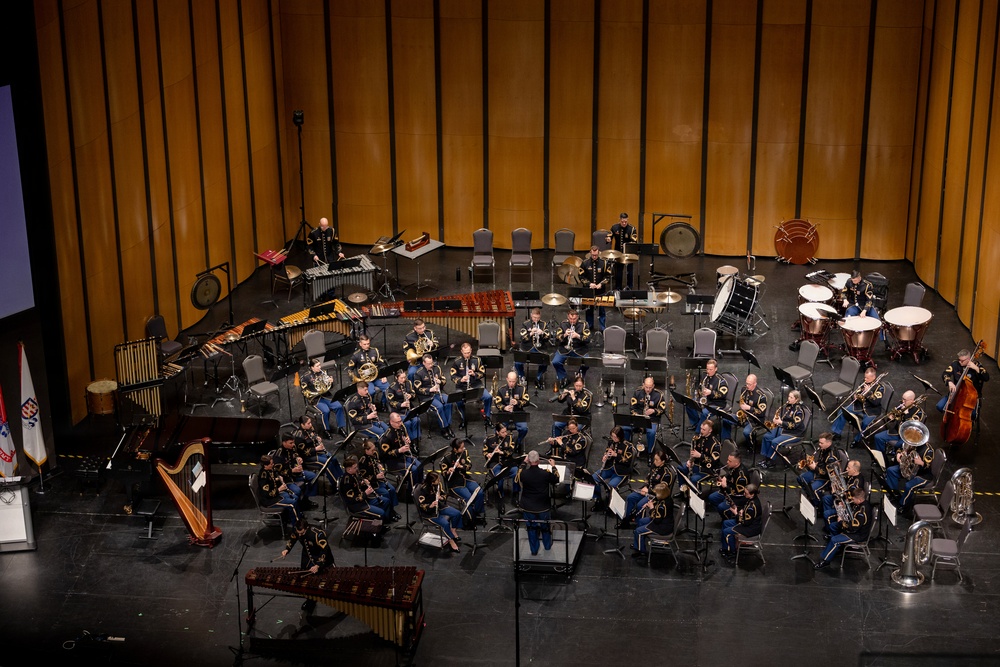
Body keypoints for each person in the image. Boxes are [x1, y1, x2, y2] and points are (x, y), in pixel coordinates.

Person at [279, 518, 335, 611]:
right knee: (307, 580)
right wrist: (287, 549)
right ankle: (310, 601)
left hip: (320, 556)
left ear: (306, 528)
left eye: (302, 533)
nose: (299, 535)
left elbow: (324, 550)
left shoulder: (318, 534)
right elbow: (293, 538)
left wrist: (318, 565)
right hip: (307, 556)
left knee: (331, 578)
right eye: (298, 533)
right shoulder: (297, 529)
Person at [814, 487, 873, 569]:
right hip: (854, 528)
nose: (852, 500)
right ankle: (839, 547)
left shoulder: (862, 513)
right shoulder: (861, 504)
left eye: (854, 499)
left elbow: (853, 528)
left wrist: (841, 522)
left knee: (834, 540)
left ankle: (825, 560)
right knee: (832, 526)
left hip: (857, 535)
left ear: (859, 500)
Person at [516, 451, 561, 556]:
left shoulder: (524, 473)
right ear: (538, 460)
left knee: (531, 529)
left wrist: (523, 463)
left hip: (528, 506)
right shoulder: (545, 473)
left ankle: (534, 550)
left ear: (529, 460)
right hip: (543, 506)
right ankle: (547, 546)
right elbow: (556, 479)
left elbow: (517, 477)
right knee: (545, 527)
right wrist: (553, 466)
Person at [621, 449, 674, 529]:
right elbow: (648, 478)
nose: (654, 461)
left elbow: (662, 491)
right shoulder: (654, 466)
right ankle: (626, 520)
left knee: (640, 505)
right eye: (654, 459)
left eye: (657, 460)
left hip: (655, 496)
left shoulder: (666, 474)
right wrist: (645, 486)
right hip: (647, 491)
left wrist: (648, 491)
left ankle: (639, 525)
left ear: (663, 461)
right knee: (630, 497)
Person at [830, 367, 884, 444]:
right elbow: (857, 392)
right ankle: (837, 433)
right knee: (842, 411)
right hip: (859, 406)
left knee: (865, 423)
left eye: (867, 378)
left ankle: (857, 440)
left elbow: (876, 402)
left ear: (874, 377)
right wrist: (855, 395)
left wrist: (868, 392)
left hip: (871, 410)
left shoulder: (880, 388)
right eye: (865, 377)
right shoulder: (863, 382)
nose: (865, 379)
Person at [884, 436, 935, 515]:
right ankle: (894, 494)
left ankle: (902, 505)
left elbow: (929, 467)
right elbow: (902, 448)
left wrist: (921, 463)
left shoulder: (928, 451)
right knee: (891, 471)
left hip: (923, 475)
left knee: (909, 486)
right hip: (910, 469)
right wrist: (899, 454)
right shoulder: (913, 443)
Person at [415, 471, 462, 553]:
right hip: (429, 512)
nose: (439, 480)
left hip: (439, 506)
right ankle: (451, 541)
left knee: (457, 513)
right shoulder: (424, 489)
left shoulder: (437, 485)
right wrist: (430, 505)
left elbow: (444, 494)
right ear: (432, 481)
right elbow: (421, 505)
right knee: (445, 523)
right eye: (438, 479)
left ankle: (453, 530)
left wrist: (441, 497)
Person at [449, 342, 493, 428]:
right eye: (465, 353)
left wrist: (474, 374)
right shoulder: (457, 361)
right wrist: (460, 379)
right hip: (462, 387)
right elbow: (452, 376)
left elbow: (482, 372)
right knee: (458, 401)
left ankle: (487, 417)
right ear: (461, 351)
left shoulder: (477, 360)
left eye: (469, 352)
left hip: (475, 385)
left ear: (471, 350)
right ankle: (463, 419)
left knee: (488, 397)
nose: (467, 355)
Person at [440, 438, 485, 522]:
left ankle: (477, 512)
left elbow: (469, 465)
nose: (463, 448)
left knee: (479, 492)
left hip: (465, 478)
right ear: (455, 449)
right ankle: (470, 519)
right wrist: (449, 472)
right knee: (468, 497)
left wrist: (461, 466)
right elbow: (444, 474)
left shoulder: (465, 452)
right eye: (461, 448)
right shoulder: (447, 458)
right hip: (455, 483)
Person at [592, 426, 636, 511]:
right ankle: (598, 500)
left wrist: (616, 455)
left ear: (620, 436)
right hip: (609, 468)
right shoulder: (611, 442)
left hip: (620, 471)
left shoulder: (628, 446)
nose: (613, 438)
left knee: (611, 486)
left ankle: (610, 505)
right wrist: (605, 456)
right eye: (612, 436)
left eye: (615, 437)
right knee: (594, 478)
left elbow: (627, 461)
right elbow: (607, 452)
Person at [759, 390, 806, 468]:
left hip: (795, 434)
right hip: (785, 429)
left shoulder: (799, 411)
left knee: (775, 442)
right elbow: (786, 418)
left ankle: (771, 461)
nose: (789, 399)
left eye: (791, 397)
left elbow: (795, 425)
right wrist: (777, 419)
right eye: (789, 396)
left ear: (797, 399)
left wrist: (781, 422)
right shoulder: (789, 405)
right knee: (767, 436)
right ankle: (766, 457)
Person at [936, 347, 989, 416]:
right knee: (940, 406)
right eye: (959, 360)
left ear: (969, 359)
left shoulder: (977, 365)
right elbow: (945, 374)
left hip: (971, 397)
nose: (960, 362)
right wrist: (949, 381)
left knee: (971, 415)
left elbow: (986, 377)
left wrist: (976, 369)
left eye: (962, 361)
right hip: (957, 394)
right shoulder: (955, 364)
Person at [292, 414, 343, 486]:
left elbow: (313, 435)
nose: (310, 425)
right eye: (308, 423)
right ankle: (336, 485)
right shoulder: (299, 437)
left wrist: (317, 437)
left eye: (310, 423)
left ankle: (342, 477)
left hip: (316, 452)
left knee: (333, 458)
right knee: (327, 464)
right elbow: (303, 453)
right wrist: (316, 449)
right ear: (302, 425)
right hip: (308, 458)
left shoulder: (309, 428)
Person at [300, 358, 347, 435]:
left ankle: (341, 428)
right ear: (312, 367)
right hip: (315, 399)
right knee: (325, 411)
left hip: (326, 396)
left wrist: (331, 382)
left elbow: (329, 387)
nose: (320, 367)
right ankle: (326, 430)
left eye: (320, 365)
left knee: (338, 406)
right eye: (317, 366)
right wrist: (314, 393)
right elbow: (304, 391)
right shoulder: (306, 377)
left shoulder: (323, 373)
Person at [718, 483, 763, 563]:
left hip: (750, 528)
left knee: (727, 532)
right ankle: (725, 547)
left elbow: (746, 523)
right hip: (748, 522)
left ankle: (732, 552)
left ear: (752, 494)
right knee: (725, 523)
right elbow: (744, 507)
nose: (744, 494)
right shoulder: (751, 499)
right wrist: (741, 510)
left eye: (746, 493)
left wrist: (736, 514)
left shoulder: (753, 507)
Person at [413, 354, 455, 439]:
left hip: (438, 393)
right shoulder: (418, 373)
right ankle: (444, 428)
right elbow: (418, 389)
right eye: (429, 364)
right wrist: (430, 390)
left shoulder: (437, 368)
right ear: (424, 363)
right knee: (439, 407)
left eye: (431, 363)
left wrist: (440, 381)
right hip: (426, 397)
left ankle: (448, 426)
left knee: (449, 402)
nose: (431, 365)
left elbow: (444, 379)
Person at [796, 432, 843, 507]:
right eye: (819, 442)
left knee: (813, 489)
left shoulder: (831, 457)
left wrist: (815, 467)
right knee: (800, 478)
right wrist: (815, 464)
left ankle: (817, 505)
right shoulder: (824, 448)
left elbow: (828, 474)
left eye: (821, 443)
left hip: (826, 478)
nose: (819, 444)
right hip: (818, 472)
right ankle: (810, 496)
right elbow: (822, 462)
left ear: (829, 443)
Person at [358, 438, 400, 520]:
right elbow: (364, 477)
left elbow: (377, 461)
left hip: (380, 480)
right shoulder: (363, 461)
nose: (374, 451)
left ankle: (392, 510)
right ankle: (388, 515)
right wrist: (376, 477)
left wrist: (379, 466)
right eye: (372, 450)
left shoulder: (375, 454)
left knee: (391, 489)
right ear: (366, 450)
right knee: (386, 493)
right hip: (373, 483)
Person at [872, 390, 925, 456]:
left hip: (907, 436)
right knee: (878, 437)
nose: (903, 401)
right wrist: (891, 418)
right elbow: (895, 416)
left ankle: (896, 457)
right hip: (897, 432)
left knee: (898, 446)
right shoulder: (902, 405)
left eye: (905, 400)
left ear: (912, 401)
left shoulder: (918, 412)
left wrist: (906, 414)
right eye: (902, 399)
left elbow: (911, 425)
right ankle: (881, 458)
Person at [272, 432, 318, 507]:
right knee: (297, 490)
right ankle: (298, 506)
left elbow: (296, 455)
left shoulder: (292, 447)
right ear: (284, 442)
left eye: (293, 442)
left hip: (296, 473)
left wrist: (299, 459)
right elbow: (279, 472)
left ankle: (306, 500)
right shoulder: (278, 456)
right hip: (287, 479)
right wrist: (292, 470)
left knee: (313, 476)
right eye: (290, 443)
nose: (293, 444)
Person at [340, 455, 391, 520]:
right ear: (349, 469)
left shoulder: (353, 474)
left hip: (364, 499)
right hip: (358, 506)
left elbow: (356, 486)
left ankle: (385, 520)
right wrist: (366, 493)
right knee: (381, 513)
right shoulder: (346, 482)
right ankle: (378, 527)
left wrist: (362, 483)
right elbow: (352, 500)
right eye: (355, 468)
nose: (357, 469)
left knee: (386, 501)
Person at [685, 359, 728, 435]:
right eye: (707, 369)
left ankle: (698, 432)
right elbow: (700, 386)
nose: (708, 371)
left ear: (716, 369)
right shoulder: (705, 375)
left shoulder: (721, 381)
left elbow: (723, 394)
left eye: (711, 369)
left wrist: (711, 392)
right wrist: (700, 393)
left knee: (705, 412)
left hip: (716, 403)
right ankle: (696, 423)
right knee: (689, 403)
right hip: (706, 400)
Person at [821, 459, 865, 531]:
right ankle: (831, 524)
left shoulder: (856, 484)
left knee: (826, 514)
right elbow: (845, 483)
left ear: (854, 470)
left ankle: (831, 529)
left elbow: (849, 498)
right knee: (826, 498)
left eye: (848, 468)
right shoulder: (852, 476)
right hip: (843, 498)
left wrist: (835, 491)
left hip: (848, 506)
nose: (846, 469)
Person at [378, 413, 422, 485]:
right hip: (392, 462)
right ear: (391, 422)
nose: (400, 423)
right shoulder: (386, 437)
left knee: (420, 466)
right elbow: (384, 455)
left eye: (400, 421)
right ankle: (412, 490)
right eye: (397, 422)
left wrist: (407, 442)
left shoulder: (402, 428)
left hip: (402, 456)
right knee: (413, 470)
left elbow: (405, 441)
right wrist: (399, 450)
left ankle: (420, 486)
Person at [625, 376, 666, 454]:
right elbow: (632, 408)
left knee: (651, 433)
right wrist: (638, 416)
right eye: (646, 387)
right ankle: (627, 450)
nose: (648, 389)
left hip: (652, 420)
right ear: (643, 385)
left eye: (650, 387)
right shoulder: (637, 392)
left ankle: (650, 453)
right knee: (625, 428)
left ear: (653, 386)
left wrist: (654, 411)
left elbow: (662, 409)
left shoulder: (659, 395)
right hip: (638, 418)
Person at [552, 309, 591, 388]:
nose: (572, 321)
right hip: (564, 349)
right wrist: (565, 335)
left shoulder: (584, 324)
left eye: (574, 319)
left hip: (579, 349)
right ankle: (563, 377)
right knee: (555, 362)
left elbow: (588, 339)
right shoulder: (563, 324)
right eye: (570, 319)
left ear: (578, 317)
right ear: (567, 317)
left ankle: (580, 377)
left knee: (587, 362)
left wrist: (578, 336)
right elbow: (556, 339)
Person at [257, 453, 299, 524]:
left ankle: (292, 517)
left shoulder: (269, 470)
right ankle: (297, 526)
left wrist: (278, 479)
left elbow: (272, 479)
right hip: (269, 501)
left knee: (295, 496)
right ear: (265, 466)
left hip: (275, 495)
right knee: (292, 503)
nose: (273, 465)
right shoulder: (263, 477)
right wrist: (279, 489)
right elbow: (267, 494)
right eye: (271, 464)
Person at [677, 419, 722, 487]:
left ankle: (695, 495)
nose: (701, 431)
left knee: (694, 479)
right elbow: (694, 452)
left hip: (708, 470)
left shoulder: (715, 444)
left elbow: (713, 461)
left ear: (710, 430)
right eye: (701, 428)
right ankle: (683, 490)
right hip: (697, 464)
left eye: (704, 430)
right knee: (680, 468)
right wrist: (690, 461)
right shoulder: (699, 438)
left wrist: (700, 456)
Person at [348, 335, 388, 408]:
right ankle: (369, 406)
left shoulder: (375, 351)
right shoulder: (356, 355)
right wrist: (355, 380)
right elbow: (350, 369)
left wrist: (383, 375)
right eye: (364, 344)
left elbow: (381, 364)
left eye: (368, 344)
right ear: (360, 344)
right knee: (371, 392)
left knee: (388, 388)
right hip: (365, 380)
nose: (367, 346)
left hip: (376, 376)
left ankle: (383, 404)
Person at [707, 450, 750, 518]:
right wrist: (724, 479)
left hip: (738, 497)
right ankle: (726, 513)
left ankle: (729, 517)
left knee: (721, 507)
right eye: (728, 460)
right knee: (712, 498)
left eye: (730, 461)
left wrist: (725, 486)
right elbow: (729, 476)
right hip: (729, 489)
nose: (727, 462)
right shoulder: (733, 467)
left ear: (736, 463)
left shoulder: (741, 477)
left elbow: (739, 493)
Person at [515, 307, 551, 389]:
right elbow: (522, 338)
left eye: (538, 318)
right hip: (527, 348)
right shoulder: (525, 324)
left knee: (545, 361)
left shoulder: (543, 324)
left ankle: (538, 377)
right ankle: (522, 377)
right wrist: (531, 333)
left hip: (540, 348)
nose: (536, 320)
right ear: (531, 315)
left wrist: (542, 333)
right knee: (517, 362)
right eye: (534, 317)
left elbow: (547, 338)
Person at [483, 422, 519, 500]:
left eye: (506, 431)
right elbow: (485, 451)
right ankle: (500, 496)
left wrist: (501, 452)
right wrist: (488, 455)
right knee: (500, 476)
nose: (505, 434)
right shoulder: (490, 439)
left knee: (516, 472)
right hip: (494, 463)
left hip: (507, 461)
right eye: (503, 432)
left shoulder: (509, 438)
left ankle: (516, 494)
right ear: (497, 432)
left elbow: (511, 451)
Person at [494, 371, 530, 448]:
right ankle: (502, 444)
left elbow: (527, 402)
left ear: (516, 380)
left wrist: (518, 402)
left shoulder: (522, 389)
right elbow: (497, 403)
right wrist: (504, 407)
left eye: (513, 381)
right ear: (507, 379)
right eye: (510, 381)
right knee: (498, 429)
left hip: (518, 413)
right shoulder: (501, 390)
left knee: (524, 428)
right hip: (505, 415)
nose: (511, 383)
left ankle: (518, 442)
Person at [386, 368, 421, 445]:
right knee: (407, 423)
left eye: (405, 377)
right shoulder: (392, 387)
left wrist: (410, 396)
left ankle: (416, 438)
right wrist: (401, 404)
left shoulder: (408, 383)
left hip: (409, 408)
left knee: (416, 420)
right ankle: (411, 440)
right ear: (396, 378)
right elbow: (390, 402)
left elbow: (413, 393)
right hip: (399, 411)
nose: (404, 379)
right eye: (401, 378)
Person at [579, 245, 610, 332]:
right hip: (589, 291)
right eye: (593, 255)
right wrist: (589, 284)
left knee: (602, 310)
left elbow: (608, 276)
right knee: (589, 310)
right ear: (590, 253)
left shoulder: (604, 263)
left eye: (596, 255)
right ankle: (589, 326)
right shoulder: (584, 263)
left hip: (601, 291)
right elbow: (581, 276)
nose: (594, 257)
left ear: (599, 253)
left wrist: (601, 284)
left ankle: (602, 327)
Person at [737, 374, 769, 449]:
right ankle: (728, 440)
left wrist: (749, 408)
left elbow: (761, 413)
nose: (747, 386)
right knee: (728, 419)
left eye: (749, 384)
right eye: (746, 383)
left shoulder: (761, 396)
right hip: (745, 415)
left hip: (755, 420)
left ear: (755, 384)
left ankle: (752, 446)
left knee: (746, 432)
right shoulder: (744, 389)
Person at [608, 212, 638, 291]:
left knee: (629, 271)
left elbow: (634, 240)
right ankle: (618, 287)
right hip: (618, 253)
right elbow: (610, 236)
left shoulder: (632, 229)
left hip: (628, 254)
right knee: (619, 271)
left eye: (625, 222)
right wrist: (608, 239)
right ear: (620, 220)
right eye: (622, 222)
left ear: (627, 220)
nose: (624, 223)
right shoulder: (614, 227)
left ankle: (630, 287)